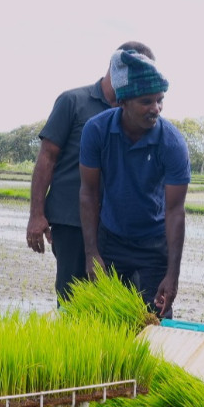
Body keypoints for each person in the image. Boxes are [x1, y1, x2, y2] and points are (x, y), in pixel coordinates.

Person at [27, 42, 156, 300]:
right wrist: (36, 214)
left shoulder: (138, 111)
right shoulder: (73, 101)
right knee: (74, 297)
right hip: (72, 220)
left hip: (120, 226)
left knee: (121, 300)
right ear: (115, 67)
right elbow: (47, 158)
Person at [79, 49, 190, 316]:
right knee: (106, 318)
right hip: (112, 237)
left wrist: (172, 275)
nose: (156, 109)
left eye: (160, 100)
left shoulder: (172, 143)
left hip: (154, 241)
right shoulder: (96, 130)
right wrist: (92, 253)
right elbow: (88, 193)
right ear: (122, 102)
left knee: (156, 319)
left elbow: (175, 211)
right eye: (146, 102)